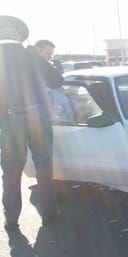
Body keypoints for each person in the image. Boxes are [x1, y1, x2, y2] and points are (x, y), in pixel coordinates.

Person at [0, 16, 64, 232]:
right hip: (37, 117)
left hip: (8, 121)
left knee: (11, 171)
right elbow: (57, 81)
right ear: (19, 34)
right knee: (44, 166)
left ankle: (11, 218)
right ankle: (48, 211)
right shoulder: (30, 55)